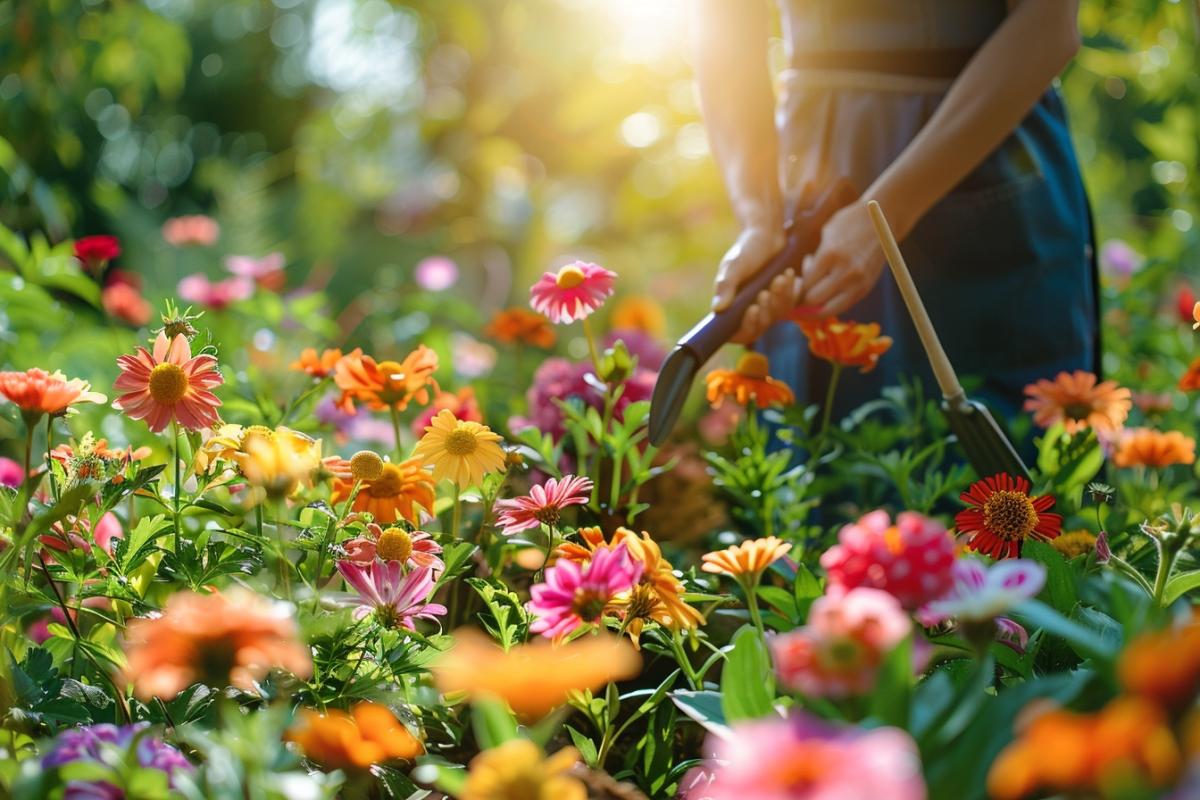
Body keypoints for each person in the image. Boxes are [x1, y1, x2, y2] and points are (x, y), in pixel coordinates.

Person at [692, 0, 1099, 436]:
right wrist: (761, 217)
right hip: (818, 174)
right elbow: (724, 33)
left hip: (983, 151)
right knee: (825, 445)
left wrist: (886, 212)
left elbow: (1048, 25)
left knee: (1003, 461)